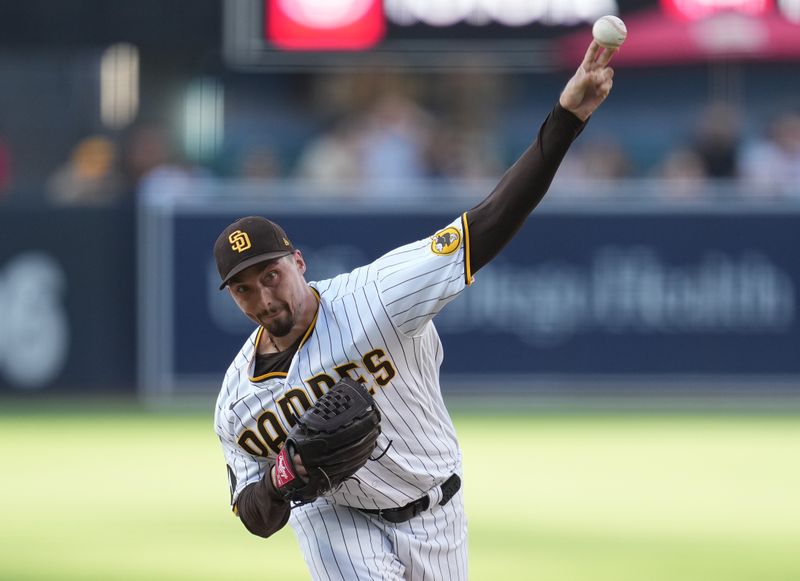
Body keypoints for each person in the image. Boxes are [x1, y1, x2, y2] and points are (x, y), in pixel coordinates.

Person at [213, 39, 617, 580]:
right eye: (243, 289)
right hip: (336, 520)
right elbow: (256, 518)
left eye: (271, 276)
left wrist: (566, 118)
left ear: (299, 262)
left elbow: (490, 221)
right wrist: (285, 474)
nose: (264, 298)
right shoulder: (237, 402)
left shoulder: (376, 296)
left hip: (437, 507)